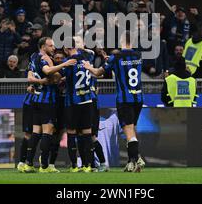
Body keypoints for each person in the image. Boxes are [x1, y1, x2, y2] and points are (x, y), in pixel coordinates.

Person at [83, 31, 146, 173]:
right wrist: (109, 60)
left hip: (125, 99)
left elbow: (98, 73)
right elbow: (125, 65)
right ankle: (136, 158)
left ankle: (133, 162)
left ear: (121, 40)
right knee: (131, 130)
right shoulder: (138, 55)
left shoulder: (115, 57)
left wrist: (88, 67)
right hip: (138, 98)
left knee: (128, 131)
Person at [18, 37, 76, 173]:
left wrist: (36, 82)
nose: (53, 48)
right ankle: (44, 166)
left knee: (36, 132)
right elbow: (47, 71)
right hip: (47, 101)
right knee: (47, 131)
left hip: (37, 99)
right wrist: (64, 65)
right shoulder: (45, 58)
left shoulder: (33, 56)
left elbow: (31, 76)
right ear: (43, 46)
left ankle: (29, 164)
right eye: (51, 46)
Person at [61, 39, 97, 173]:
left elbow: (60, 76)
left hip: (73, 102)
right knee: (87, 133)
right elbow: (92, 52)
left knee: (72, 133)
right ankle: (88, 165)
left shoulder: (68, 62)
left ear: (66, 48)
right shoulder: (87, 58)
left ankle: (75, 165)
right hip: (87, 100)